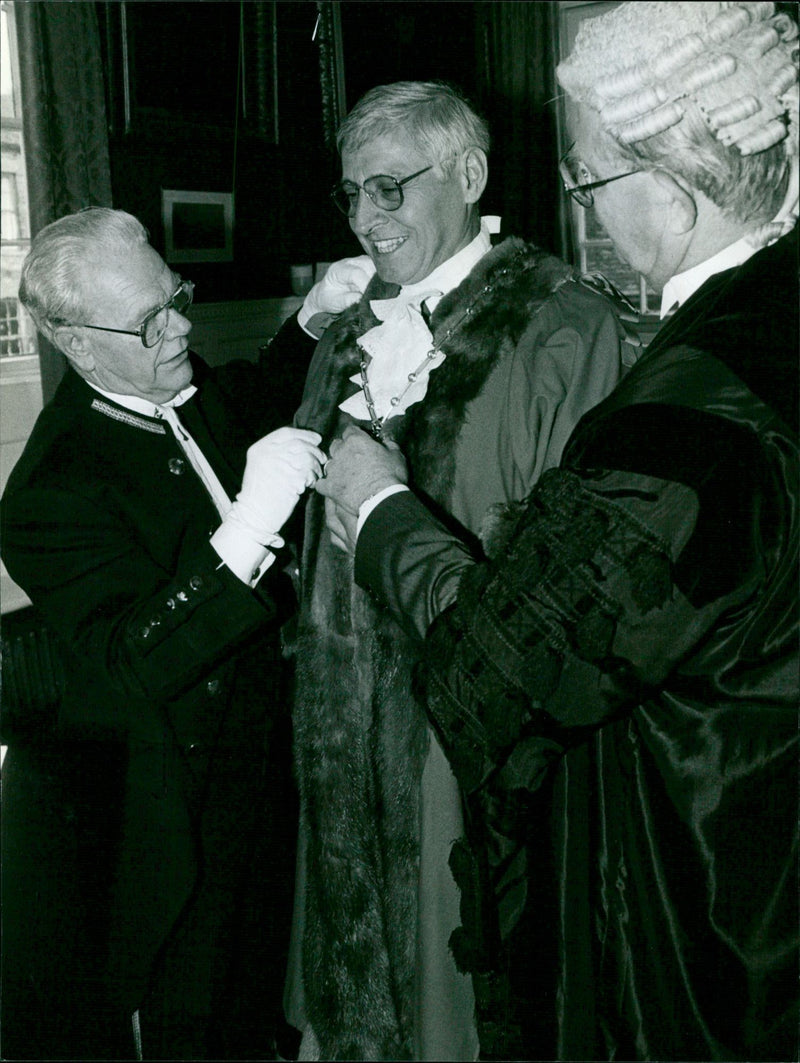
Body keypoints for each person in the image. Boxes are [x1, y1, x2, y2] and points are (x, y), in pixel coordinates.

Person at [318, 4, 799, 1059]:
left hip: (705, 877)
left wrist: (378, 506)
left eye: (586, 180)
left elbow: (498, 670)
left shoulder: (678, 408)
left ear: (669, 197)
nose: (580, 204)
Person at [284, 79, 638, 1061]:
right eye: (352, 193)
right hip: (339, 739)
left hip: (465, 748)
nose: (366, 217)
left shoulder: (564, 327)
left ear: (467, 175)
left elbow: (580, 602)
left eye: (389, 188)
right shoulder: (348, 331)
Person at [0, 207, 325, 1061]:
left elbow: (243, 398)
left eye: (174, 295)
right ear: (77, 345)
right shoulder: (49, 493)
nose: (179, 323)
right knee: (200, 1021)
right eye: (150, 319)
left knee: (268, 999)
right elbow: (131, 664)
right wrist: (251, 527)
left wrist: (312, 322)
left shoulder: (164, 374)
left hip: (263, 760)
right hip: (171, 814)